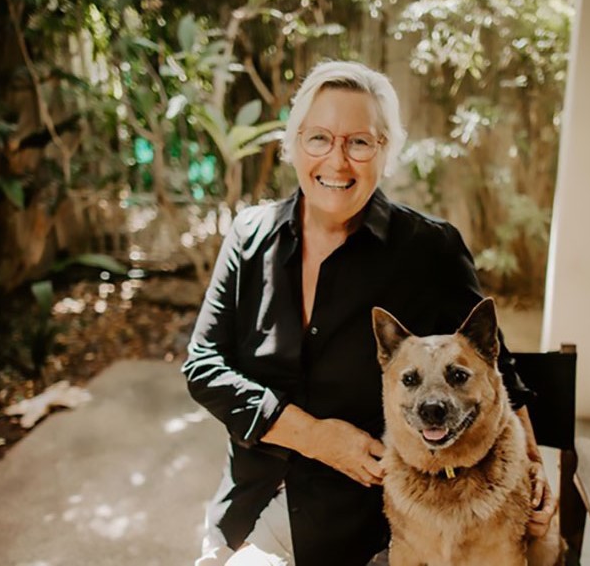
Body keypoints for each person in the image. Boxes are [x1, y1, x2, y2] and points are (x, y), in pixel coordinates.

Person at [182, 60, 556, 566]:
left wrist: (531, 470)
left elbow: (498, 367)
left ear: (386, 152)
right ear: (293, 144)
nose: (337, 162)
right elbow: (204, 366)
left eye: (359, 142)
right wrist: (312, 435)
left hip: (361, 517)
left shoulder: (430, 250)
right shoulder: (250, 237)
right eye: (318, 138)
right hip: (250, 495)